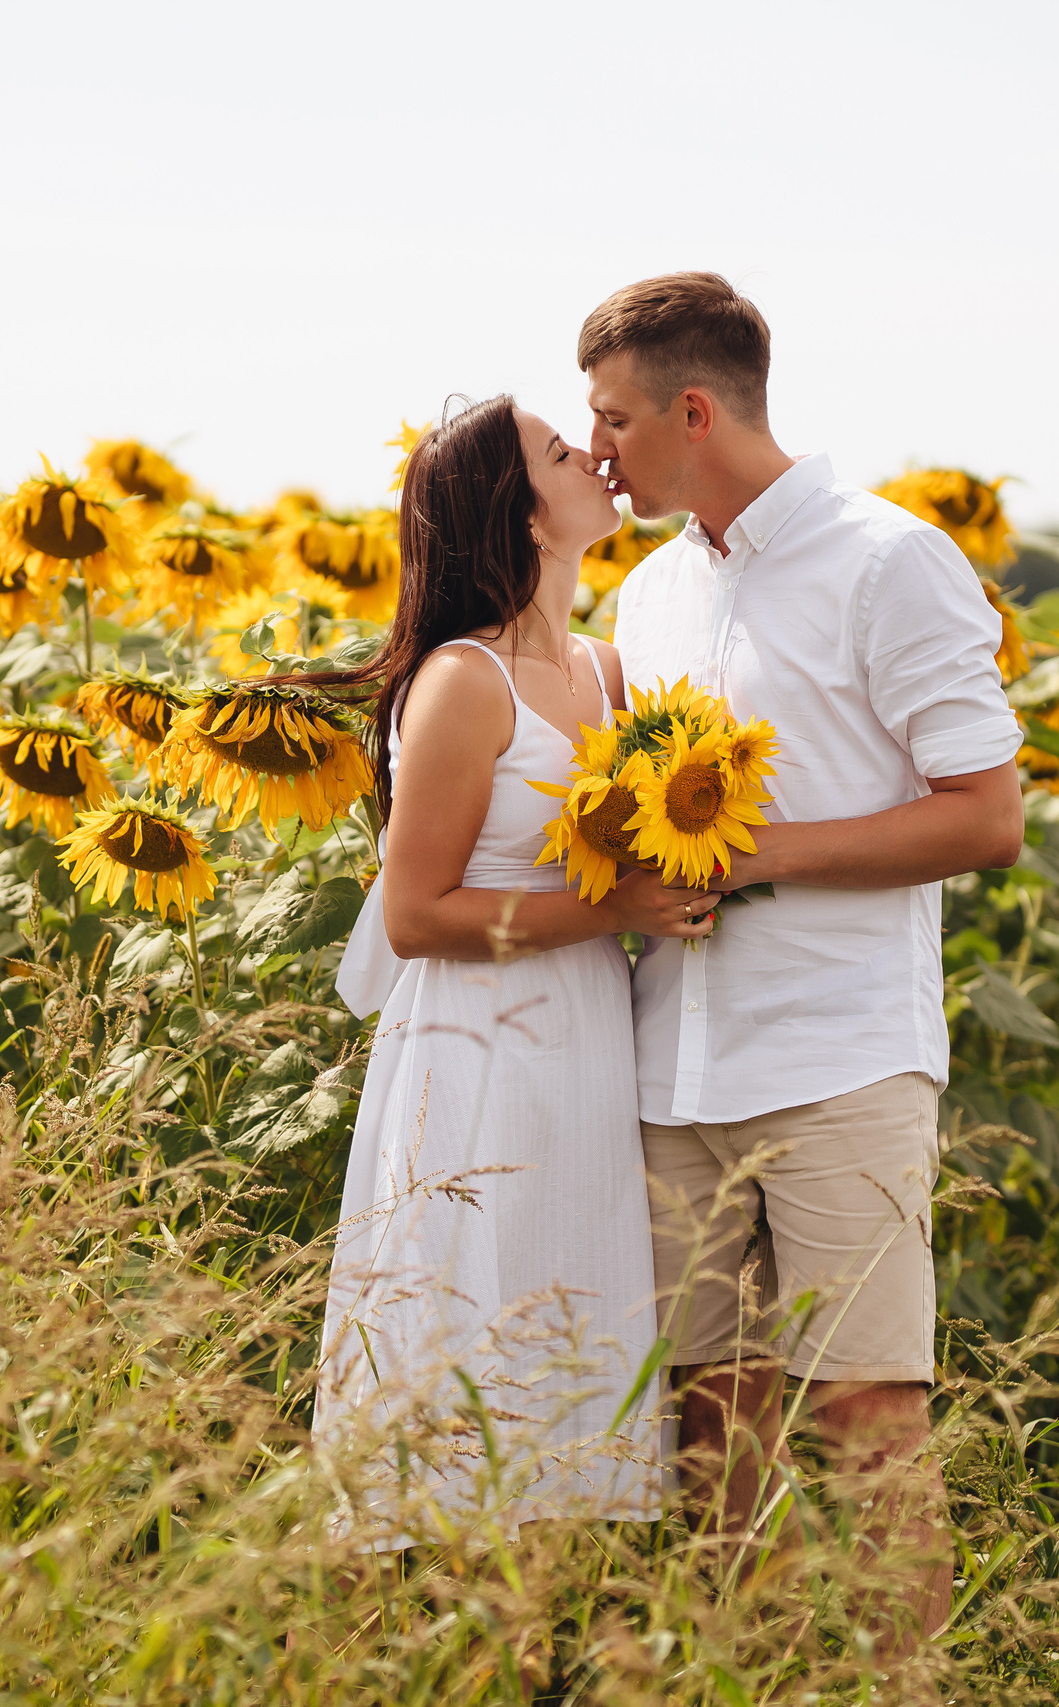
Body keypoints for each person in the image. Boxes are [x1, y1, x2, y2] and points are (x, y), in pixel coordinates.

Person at [580, 273, 1027, 1639]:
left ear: (693, 412)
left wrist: (754, 853)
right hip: (671, 1065)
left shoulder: (890, 562)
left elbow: (986, 816)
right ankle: (739, 1666)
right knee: (706, 1418)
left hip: (839, 1055)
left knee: (866, 1413)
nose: (597, 450)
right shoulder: (648, 595)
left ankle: (908, 1684)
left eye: (614, 419)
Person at [315, 394, 720, 1545]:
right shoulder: (463, 681)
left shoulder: (611, 672)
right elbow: (415, 916)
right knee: (473, 1316)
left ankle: (558, 1594)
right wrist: (612, 909)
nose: (593, 454)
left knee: (575, 1303)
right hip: (478, 1043)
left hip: (589, 1037)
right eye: (559, 450)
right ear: (526, 515)